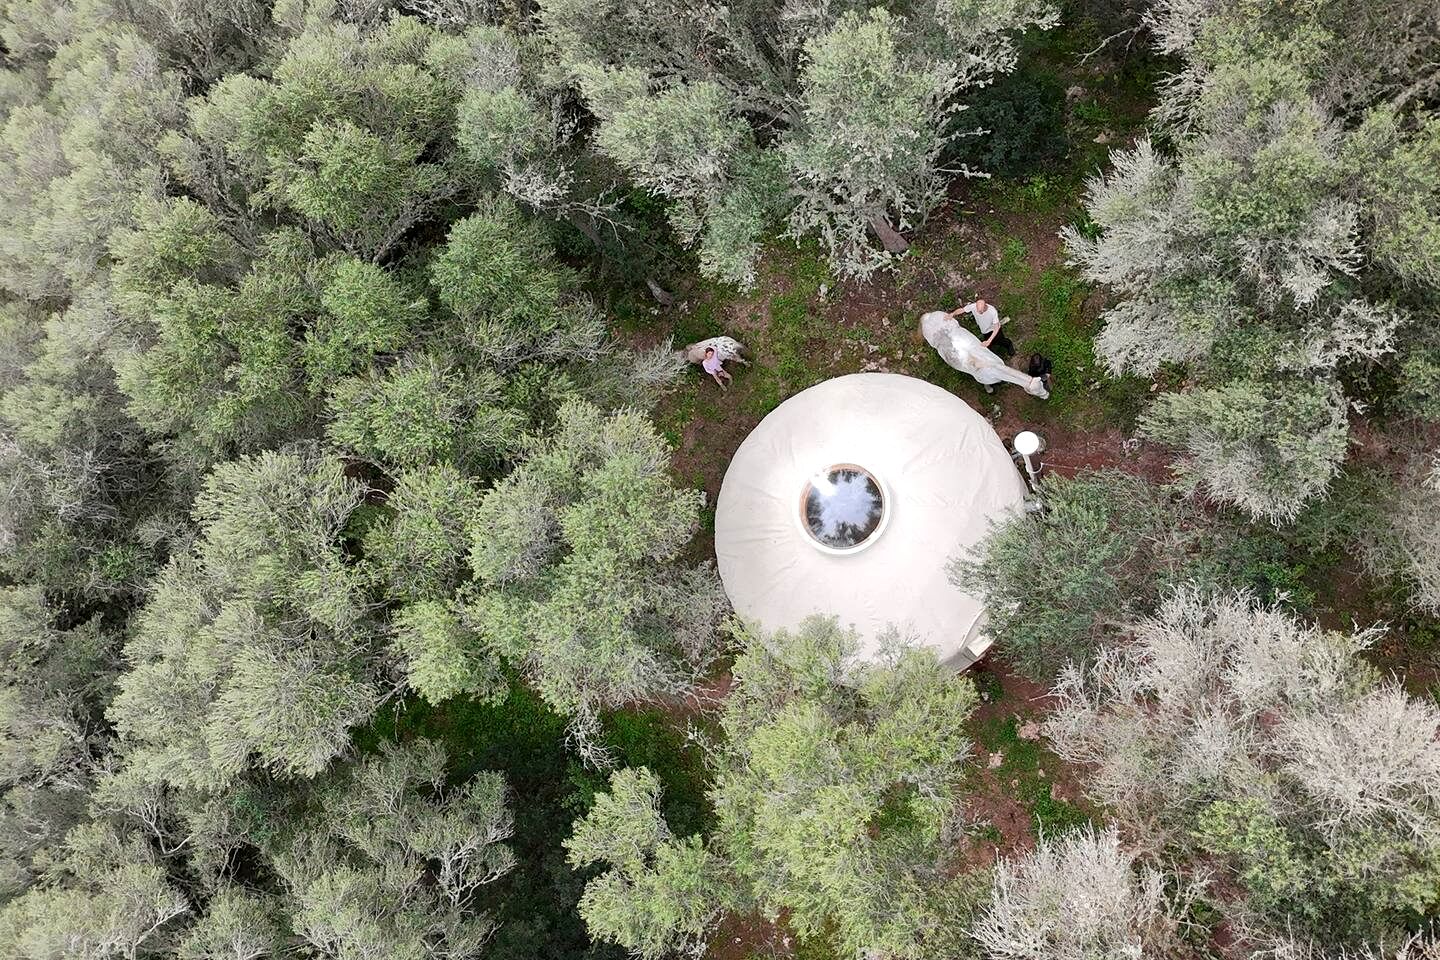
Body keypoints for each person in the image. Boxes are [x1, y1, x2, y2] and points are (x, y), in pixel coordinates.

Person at [919, 311, 1048, 399]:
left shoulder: (935, 326)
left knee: (984, 366)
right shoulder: (938, 320)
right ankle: (988, 384)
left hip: (956, 342)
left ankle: (988, 385)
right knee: (981, 367)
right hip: (956, 343)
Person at [949, 297, 1014, 358]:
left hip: (994, 330)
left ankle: (1009, 345)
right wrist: (953, 314)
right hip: (984, 331)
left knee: (1001, 341)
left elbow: (996, 327)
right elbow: (962, 310)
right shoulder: (973, 306)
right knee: (988, 345)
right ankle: (993, 354)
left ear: (985, 306)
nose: (979, 312)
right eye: (978, 310)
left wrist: (989, 340)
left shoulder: (992, 311)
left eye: (981, 311)